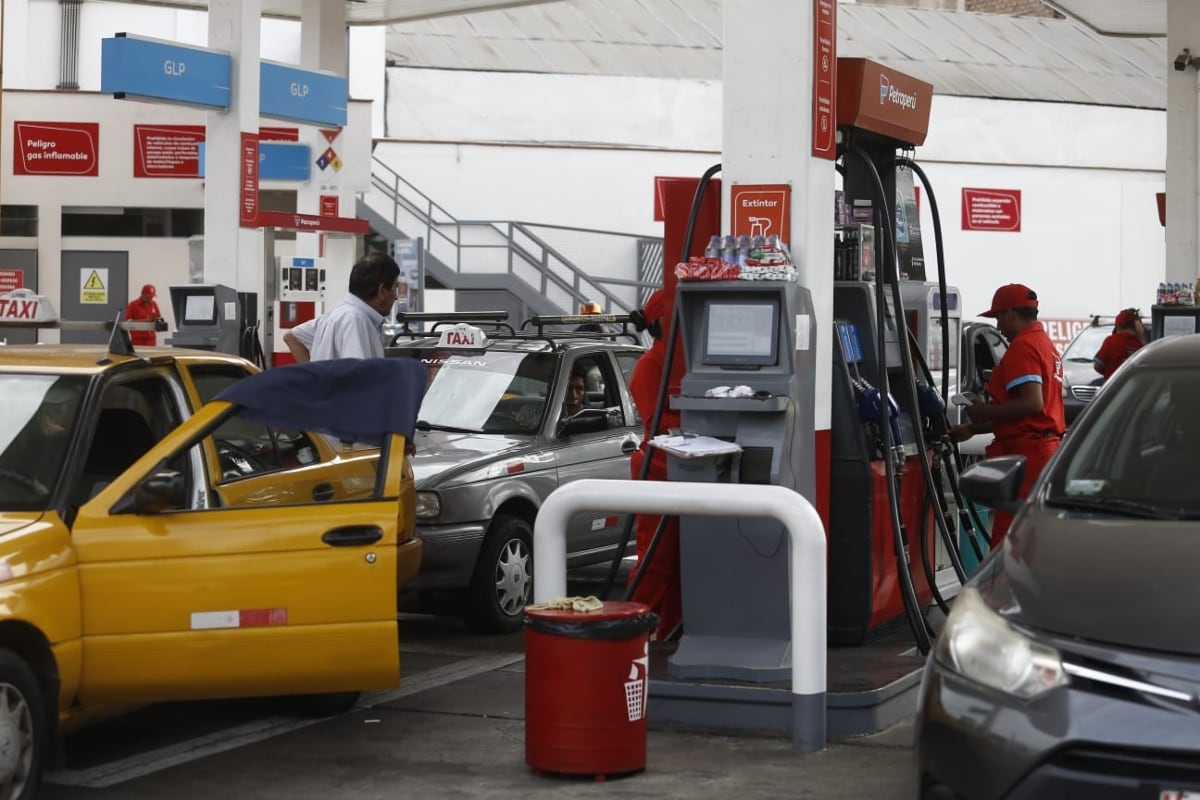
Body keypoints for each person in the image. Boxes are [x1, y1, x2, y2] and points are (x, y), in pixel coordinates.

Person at [950, 283, 1065, 549]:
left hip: (1026, 458)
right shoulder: (1044, 343)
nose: (998, 326)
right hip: (1041, 451)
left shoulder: (1023, 347)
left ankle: (1003, 591)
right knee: (1030, 539)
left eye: (999, 317)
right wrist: (972, 429)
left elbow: (1032, 403)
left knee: (1010, 544)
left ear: (1012, 313)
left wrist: (983, 411)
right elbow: (1026, 414)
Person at [626, 288, 684, 640]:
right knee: (656, 561)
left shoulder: (681, 361)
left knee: (682, 564)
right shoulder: (650, 366)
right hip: (660, 468)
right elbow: (658, 422)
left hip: (684, 468)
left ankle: (667, 631)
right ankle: (630, 632)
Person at [283, 252, 401, 363]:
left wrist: (314, 379)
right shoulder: (355, 319)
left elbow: (292, 337)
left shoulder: (336, 313)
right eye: (395, 288)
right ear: (381, 291)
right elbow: (358, 375)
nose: (395, 297)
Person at [1093, 307, 1145, 381]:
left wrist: (1109, 373)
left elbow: (1097, 366)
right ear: (1135, 324)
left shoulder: (1110, 341)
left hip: (1112, 389)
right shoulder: (1141, 347)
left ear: (1117, 326)